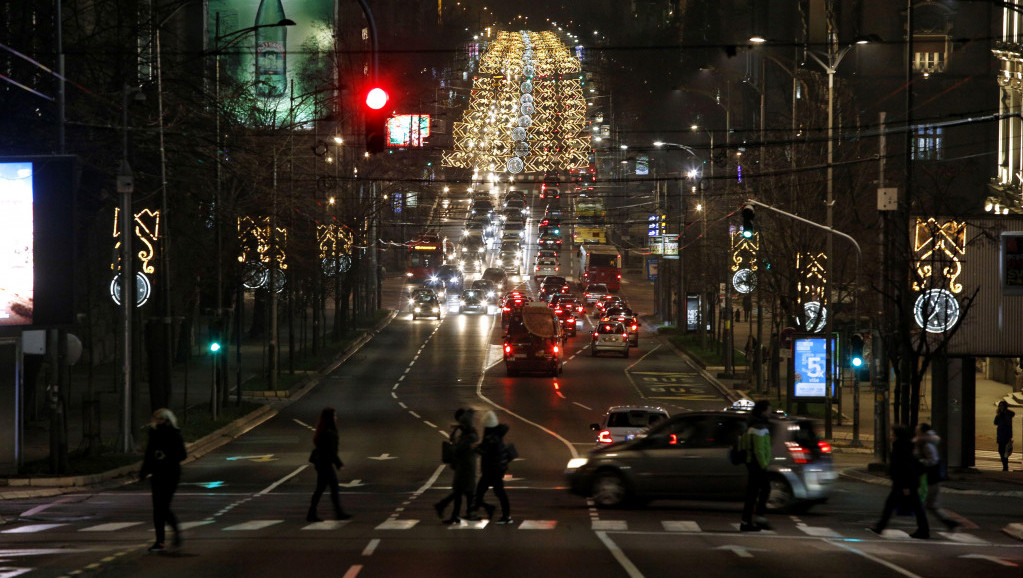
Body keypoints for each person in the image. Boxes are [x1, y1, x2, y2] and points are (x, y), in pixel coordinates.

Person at [869, 424, 930, 539]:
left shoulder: (900, 447)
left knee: (896, 505)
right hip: (906, 482)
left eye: (893, 434)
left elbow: (904, 467)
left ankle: (923, 530)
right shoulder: (907, 445)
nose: (891, 437)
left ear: (897, 435)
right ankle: (923, 530)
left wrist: (905, 486)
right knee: (911, 506)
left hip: (904, 483)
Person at [139, 408, 187, 552]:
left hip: (171, 474)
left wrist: (167, 457)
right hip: (157, 474)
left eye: (160, 419)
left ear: (166, 420)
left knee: (163, 507)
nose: (156, 421)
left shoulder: (174, 434)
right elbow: (149, 453)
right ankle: (159, 541)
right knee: (157, 509)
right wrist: (144, 471)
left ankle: (176, 531)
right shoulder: (153, 434)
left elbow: (182, 454)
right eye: (155, 418)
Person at [434, 408, 478, 524]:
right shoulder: (470, 435)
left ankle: (452, 511)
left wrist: (455, 441)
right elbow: (460, 449)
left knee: (462, 491)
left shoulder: (468, 436)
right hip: (465, 467)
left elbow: (458, 449)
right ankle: (462, 513)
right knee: (464, 491)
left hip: (465, 467)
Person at [307, 407, 352, 522]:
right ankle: (335, 513)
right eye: (334, 416)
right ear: (330, 418)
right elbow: (330, 451)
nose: (336, 418)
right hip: (325, 464)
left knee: (323, 488)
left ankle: (314, 512)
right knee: (329, 488)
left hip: (321, 463)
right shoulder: (329, 432)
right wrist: (339, 464)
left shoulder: (322, 430)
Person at [914, 423, 959, 531]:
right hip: (931, 477)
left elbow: (933, 460)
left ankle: (948, 523)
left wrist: (920, 461)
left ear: (923, 432)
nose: (916, 432)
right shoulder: (925, 442)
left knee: (928, 504)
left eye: (918, 430)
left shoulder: (926, 444)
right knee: (931, 505)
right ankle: (949, 523)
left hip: (931, 478)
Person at [471, 410, 513, 524]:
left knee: (492, 491)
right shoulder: (496, 434)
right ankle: (474, 513)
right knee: (486, 491)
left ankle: (506, 516)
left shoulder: (491, 438)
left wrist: (474, 447)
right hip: (494, 469)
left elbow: (485, 451)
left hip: (492, 470)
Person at [739, 400, 772, 532]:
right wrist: (764, 464)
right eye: (769, 409)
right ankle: (753, 520)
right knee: (761, 490)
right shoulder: (758, 427)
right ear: (763, 411)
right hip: (757, 464)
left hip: (753, 463)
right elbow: (759, 449)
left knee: (754, 493)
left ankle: (750, 521)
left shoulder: (754, 424)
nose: (770, 412)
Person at [995, 400, 1015, 472]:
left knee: (1005, 452)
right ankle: (1005, 465)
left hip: (1006, 435)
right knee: (1001, 451)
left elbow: (1008, 423)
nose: (1001, 407)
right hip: (1000, 435)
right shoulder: (999, 414)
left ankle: (1005, 466)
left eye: (1002, 406)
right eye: (1000, 406)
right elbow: (995, 422)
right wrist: (999, 415)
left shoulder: (1007, 414)